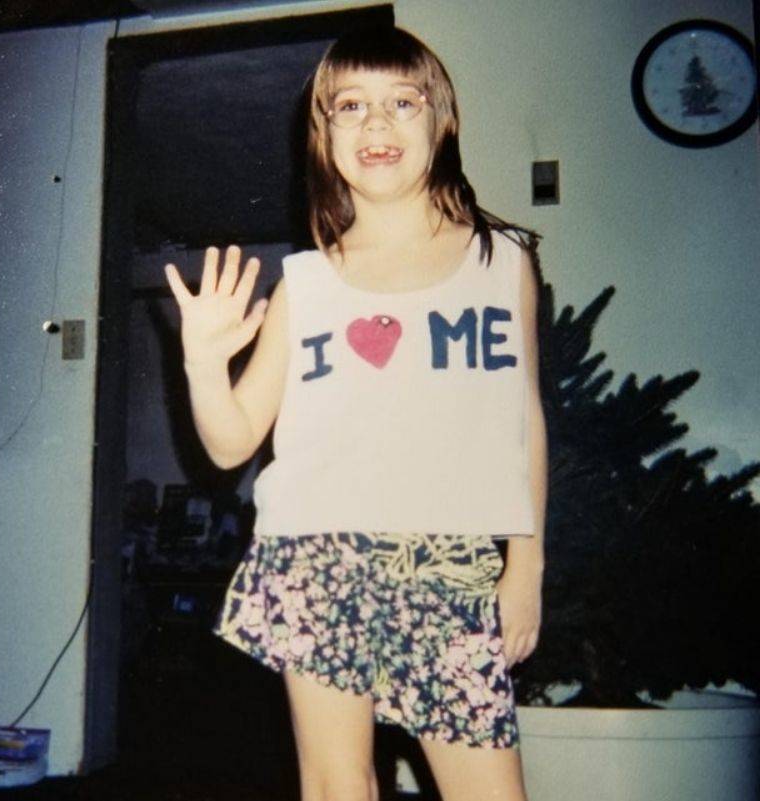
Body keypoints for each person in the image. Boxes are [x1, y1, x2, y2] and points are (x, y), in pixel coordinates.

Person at [165, 24, 547, 801]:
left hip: (450, 562)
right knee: (338, 783)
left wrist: (527, 564)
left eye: (402, 102)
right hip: (318, 555)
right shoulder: (306, 284)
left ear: (441, 121)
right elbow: (232, 441)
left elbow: (522, 420)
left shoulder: (501, 262)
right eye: (351, 106)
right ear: (324, 133)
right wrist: (205, 362)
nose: (376, 124)